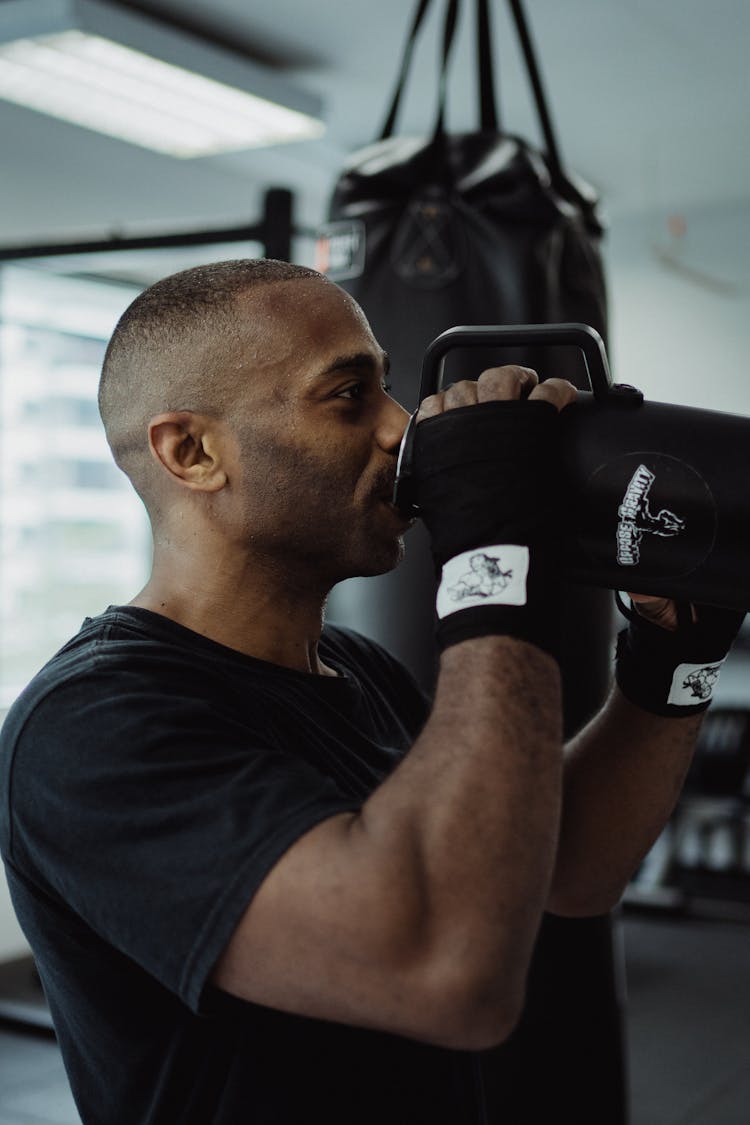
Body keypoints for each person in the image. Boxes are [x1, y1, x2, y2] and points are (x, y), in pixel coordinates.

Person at [0, 259, 743, 1125]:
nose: (400, 429)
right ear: (192, 452)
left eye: (388, 388)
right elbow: (444, 970)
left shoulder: (355, 668)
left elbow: (565, 868)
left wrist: (668, 662)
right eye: (349, 395)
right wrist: (493, 555)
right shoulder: (89, 725)